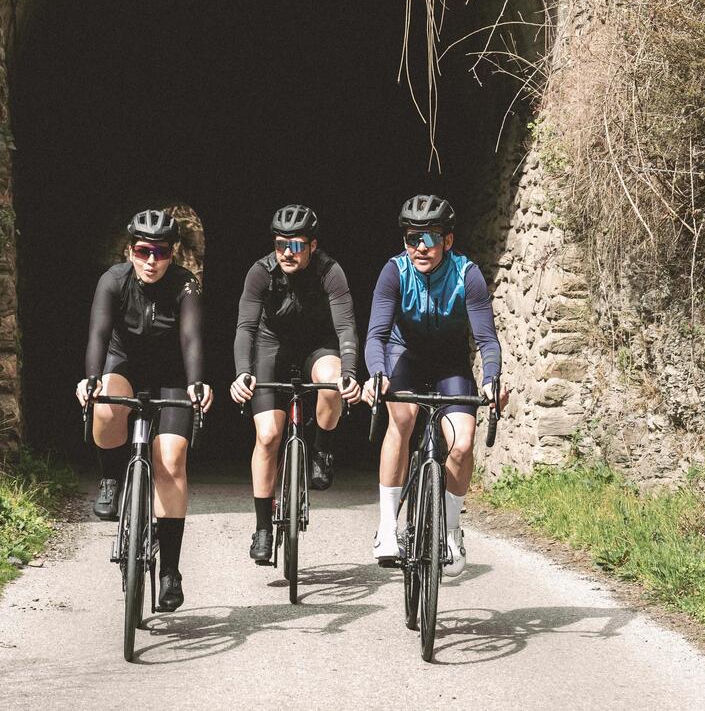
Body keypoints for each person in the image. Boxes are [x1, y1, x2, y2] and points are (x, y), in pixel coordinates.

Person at [362, 194, 508, 575]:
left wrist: (491, 381)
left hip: (449, 363)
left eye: (430, 238)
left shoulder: (467, 274)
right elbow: (376, 335)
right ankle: (388, 526)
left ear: (448, 240)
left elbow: (487, 340)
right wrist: (377, 374)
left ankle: (452, 531)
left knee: (461, 444)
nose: (420, 247)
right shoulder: (394, 271)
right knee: (403, 419)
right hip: (403, 356)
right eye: (413, 238)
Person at [75, 209, 213, 612]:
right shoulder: (113, 281)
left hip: (171, 374)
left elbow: (191, 339)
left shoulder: (185, 285)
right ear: (129, 250)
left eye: (161, 252)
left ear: (173, 254)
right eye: (142, 250)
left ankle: (170, 570)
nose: (151, 260)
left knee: (171, 461)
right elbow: (98, 334)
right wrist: (91, 379)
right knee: (103, 407)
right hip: (124, 366)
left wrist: (196, 382)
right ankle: (111, 479)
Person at [229, 205, 362, 564]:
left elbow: (346, 327)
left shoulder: (330, 272)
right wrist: (243, 372)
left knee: (332, 383)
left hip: (319, 346)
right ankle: (262, 528)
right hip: (273, 347)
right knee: (269, 436)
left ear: (313, 246)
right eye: (281, 244)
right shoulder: (261, 272)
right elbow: (246, 328)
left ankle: (321, 448)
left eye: (297, 245)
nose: (288, 252)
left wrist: (349, 371)